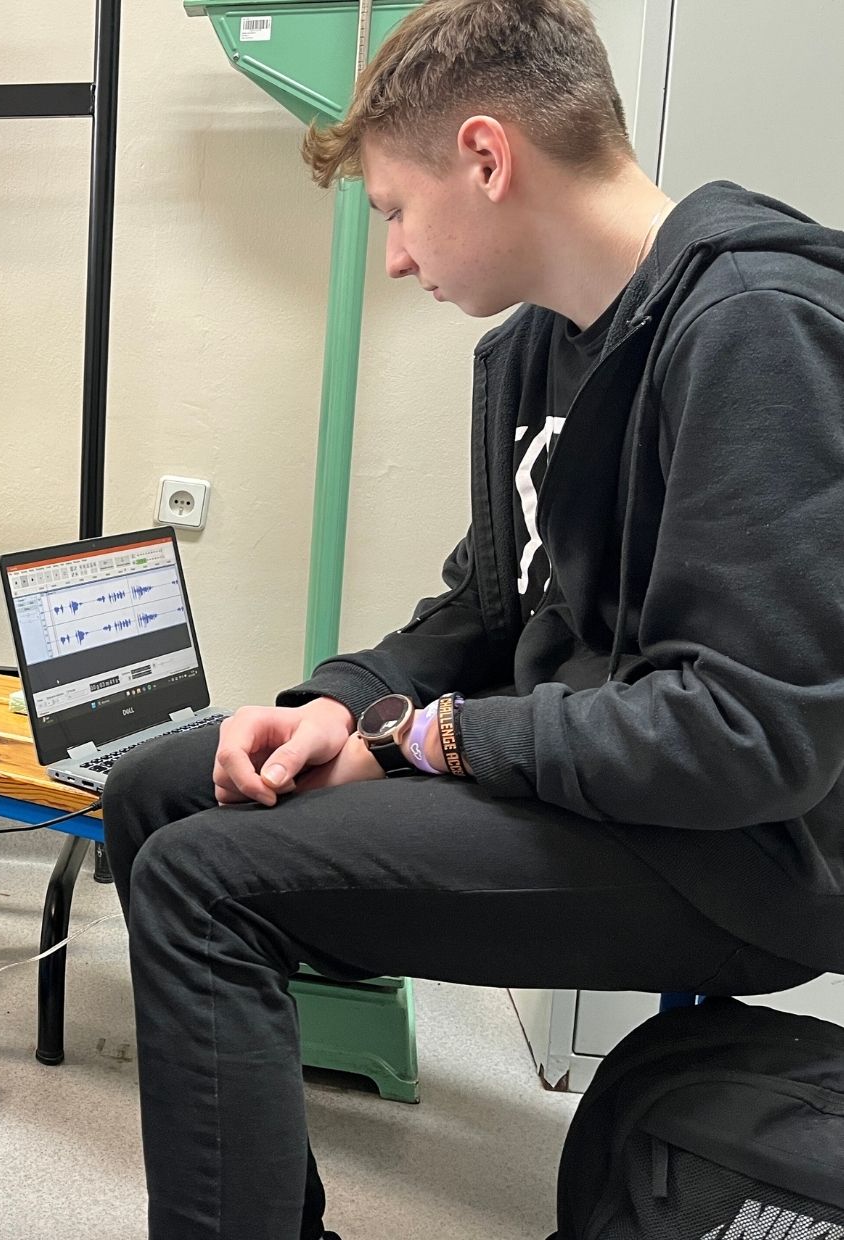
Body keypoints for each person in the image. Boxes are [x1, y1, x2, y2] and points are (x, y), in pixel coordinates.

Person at [100, 1, 844, 1237]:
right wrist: (339, 700)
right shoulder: (534, 352)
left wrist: (421, 739)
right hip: (587, 778)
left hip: (736, 855)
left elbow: (743, 738)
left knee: (202, 880)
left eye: (394, 209)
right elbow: (484, 607)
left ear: (485, 158)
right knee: (158, 792)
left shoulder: (756, 327)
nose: (393, 256)